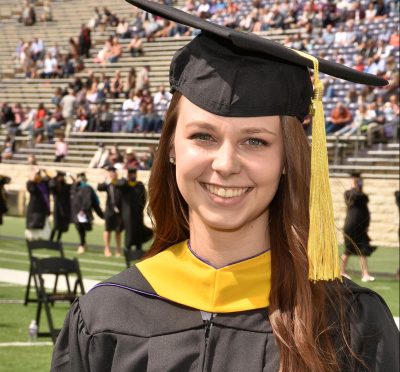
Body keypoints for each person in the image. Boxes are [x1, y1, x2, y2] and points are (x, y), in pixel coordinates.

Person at [51, 1, 399, 371]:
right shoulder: (105, 316)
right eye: (203, 136)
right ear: (171, 147)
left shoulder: (349, 323)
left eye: (255, 141)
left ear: (287, 159)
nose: (226, 164)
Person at [341, 173, 376, 282]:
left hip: (361, 228)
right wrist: (353, 186)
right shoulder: (348, 193)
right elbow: (353, 197)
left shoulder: (362, 196)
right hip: (350, 227)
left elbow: (364, 200)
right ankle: (341, 272)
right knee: (348, 250)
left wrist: (366, 225)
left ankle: (365, 274)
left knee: (363, 250)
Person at [116, 168, 152, 258]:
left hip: (138, 213)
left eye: (134, 174)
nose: (133, 175)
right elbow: (118, 184)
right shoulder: (125, 185)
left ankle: (138, 250)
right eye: (131, 174)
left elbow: (144, 197)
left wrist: (141, 208)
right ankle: (128, 250)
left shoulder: (139, 185)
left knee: (138, 230)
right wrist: (125, 178)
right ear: (128, 175)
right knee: (129, 231)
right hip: (127, 214)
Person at [70, 172, 104, 254]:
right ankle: (83, 244)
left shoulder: (87, 188)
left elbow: (89, 201)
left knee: (82, 228)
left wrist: (84, 210)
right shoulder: (74, 188)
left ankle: (82, 244)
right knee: (79, 228)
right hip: (76, 212)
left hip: (83, 212)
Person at [97, 166, 123, 257]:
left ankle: (118, 249)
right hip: (109, 210)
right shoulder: (108, 184)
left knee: (118, 230)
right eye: (110, 172)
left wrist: (115, 179)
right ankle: (107, 248)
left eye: (113, 172)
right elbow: (100, 188)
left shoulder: (119, 182)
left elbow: (123, 184)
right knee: (107, 229)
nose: (112, 174)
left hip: (119, 211)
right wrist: (104, 179)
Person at [25, 169, 51, 240]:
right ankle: (31, 238)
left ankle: (43, 238)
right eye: (37, 175)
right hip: (34, 209)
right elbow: (32, 190)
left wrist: (46, 172)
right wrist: (33, 178)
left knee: (43, 224)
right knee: (32, 225)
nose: (38, 176)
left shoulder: (44, 183)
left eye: (39, 175)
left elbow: (50, 179)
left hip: (43, 209)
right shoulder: (31, 184)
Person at [49, 171, 72, 242]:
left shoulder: (65, 186)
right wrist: (54, 177)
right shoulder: (55, 185)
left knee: (62, 226)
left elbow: (74, 184)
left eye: (62, 177)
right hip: (57, 208)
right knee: (56, 226)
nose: (61, 178)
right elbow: (51, 184)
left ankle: (58, 240)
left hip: (64, 209)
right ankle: (50, 240)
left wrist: (70, 176)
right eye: (60, 176)